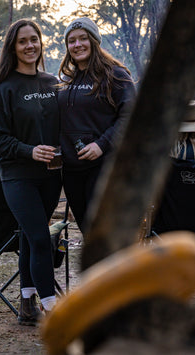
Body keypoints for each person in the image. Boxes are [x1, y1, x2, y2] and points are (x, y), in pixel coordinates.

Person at [0, 19, 61, 325]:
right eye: (23, 41)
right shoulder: (5, 89)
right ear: (13, 48)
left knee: (30, 238)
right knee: (41, 239)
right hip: (17, 175)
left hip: (51, 175)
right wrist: (30, 150)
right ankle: (52, 309)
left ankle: (27, 305)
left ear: (41, 43)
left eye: (34, 39)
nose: (30, 46)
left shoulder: (53, 83)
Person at [58, 17, 136, 234]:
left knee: (104, 232)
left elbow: (130, 117)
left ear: (94, 40)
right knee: (87, 231)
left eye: (83, 38)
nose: (77, 45)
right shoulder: (68, 80)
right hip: (72, 170)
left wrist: (102, 144)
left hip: (104, 166)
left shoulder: (116, 75)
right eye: (71, 41)